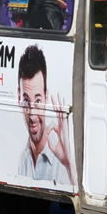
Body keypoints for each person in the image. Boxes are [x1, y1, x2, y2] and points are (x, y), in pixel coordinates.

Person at [16, 45, 73, 186]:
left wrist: (68, 164)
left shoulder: (61, 158)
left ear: (46, 97)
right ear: (18, 98)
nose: (32, 115)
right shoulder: (23, 158)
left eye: (38, 101)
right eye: (26, 101)